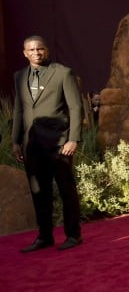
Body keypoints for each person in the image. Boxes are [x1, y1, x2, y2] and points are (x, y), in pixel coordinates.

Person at [12, 35, 84, 252]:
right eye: (31, 50)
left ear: (47, 50)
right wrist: (16, 140)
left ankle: (73, 235)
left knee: (66, 190)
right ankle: (45, 236)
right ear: (25, 53)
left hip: (59, 143)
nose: (36, 53)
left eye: (40, 49)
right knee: (38, 192)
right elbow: (19, 110)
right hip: (31, 145)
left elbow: (75, 108)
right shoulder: (19, 76)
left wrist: (73, 138)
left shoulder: (62, 73)